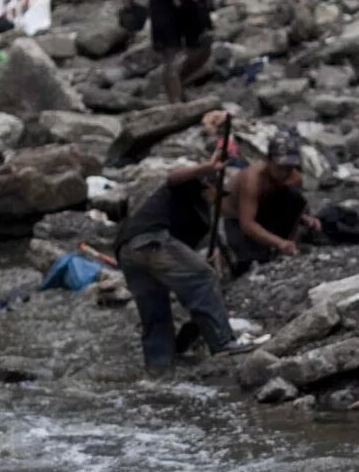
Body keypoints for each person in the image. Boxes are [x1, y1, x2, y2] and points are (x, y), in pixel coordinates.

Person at [113, 159, 239, 370]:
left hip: (128, 250)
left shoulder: (198, 216)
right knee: (204, 278)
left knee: (156, 312)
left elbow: (178, 256)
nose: (216, 200)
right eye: (217, 193)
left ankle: (159, 368)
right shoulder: (188, 187)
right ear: (207, 186)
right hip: (151, 241)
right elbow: (173, 177)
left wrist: (193, 260)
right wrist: (208, 167)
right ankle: (222, 342)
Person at [223, 141, 318, 276]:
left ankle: (284, 244)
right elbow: (247, 224)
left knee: (295, 196)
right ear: (268, 161)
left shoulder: (293, 178)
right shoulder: (252, 180)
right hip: (236, 218)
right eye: (280, 167)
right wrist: (279, 243)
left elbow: (297, 205)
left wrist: (304, 218)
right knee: (250, 263)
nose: (285, 172)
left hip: (266, 209)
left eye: (289, 168)